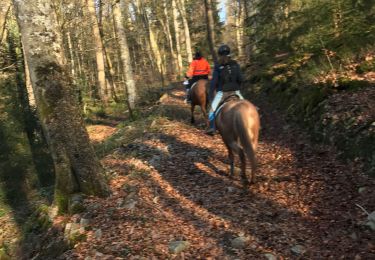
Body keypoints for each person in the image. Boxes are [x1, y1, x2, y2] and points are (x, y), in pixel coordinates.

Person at [205, 44, 244, 135]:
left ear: (219, 54)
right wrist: (237, 87)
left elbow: (214, 83)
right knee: (248, 105)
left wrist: (211, 96)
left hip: (222, 93)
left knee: (212, 110)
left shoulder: (218, 66)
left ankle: (212, 128)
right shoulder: (235, 64)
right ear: (229, 53)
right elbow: (241, 79)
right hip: (236, 91)